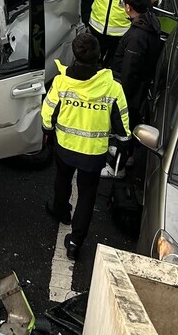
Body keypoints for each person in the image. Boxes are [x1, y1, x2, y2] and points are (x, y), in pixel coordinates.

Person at [42, 33, 131, 259]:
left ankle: (60, 211)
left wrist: (48, 131)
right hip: (93, 154)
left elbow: (47, 112)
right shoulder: (112, 87)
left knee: (62, 179)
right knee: (87, 196)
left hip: (65, 147)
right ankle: (75, 242)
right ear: (98, 56)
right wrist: (123, 142)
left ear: (74, 55)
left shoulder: (62, 82)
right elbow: (122, 120)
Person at [104, 0, 162, 179]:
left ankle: (117, 167)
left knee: (123, 129)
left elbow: (130, 70)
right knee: (130, 126)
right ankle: (126, 155)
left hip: (129, 92)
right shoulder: (150, 22)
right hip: (140, 89)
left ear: (129, 7)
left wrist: (120, 97)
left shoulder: (137, 36)